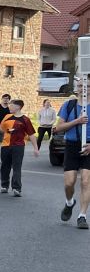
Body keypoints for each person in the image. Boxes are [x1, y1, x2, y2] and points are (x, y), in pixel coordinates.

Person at [52, 94, 90, 229]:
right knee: (69, 183)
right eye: (79, 85)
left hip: (88, 146)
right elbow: (58, 127)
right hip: (72, 145)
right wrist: (77, 121)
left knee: (85, 181)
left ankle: (82, 216)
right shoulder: (69, 105)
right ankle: (69, 202)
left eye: (87, 86)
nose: (83, 88)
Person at [0, 99, 37, 196]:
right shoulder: (7, 117)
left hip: (18, 146)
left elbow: (31, 134)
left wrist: (35, 148)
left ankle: (16, 188)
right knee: (5, 166)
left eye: (11, 105)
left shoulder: (25, 119)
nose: (9, 107)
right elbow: (2, 130)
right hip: (6, 145)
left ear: (18, 107)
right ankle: (4, 185)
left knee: (17, 167)